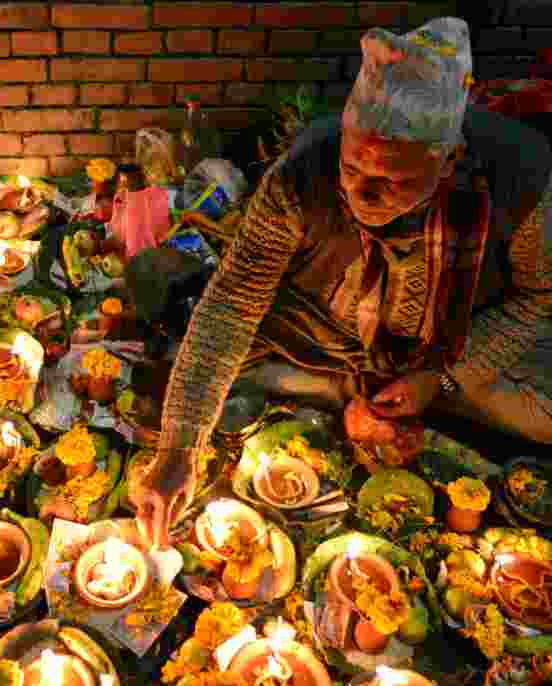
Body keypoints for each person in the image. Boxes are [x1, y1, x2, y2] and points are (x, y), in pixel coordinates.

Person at [130, 17, 552, 546]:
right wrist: (179, 450)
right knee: (186, 371)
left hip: (450, 346)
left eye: (393, 180)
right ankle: (355, 393)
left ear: (448, 163)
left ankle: (384, 398)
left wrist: (441, 378)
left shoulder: (523, 178)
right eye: (354, 169)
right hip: (324, 334)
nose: (364, 195)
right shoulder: (300, 175)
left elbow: (539, 300)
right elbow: (232, 304)